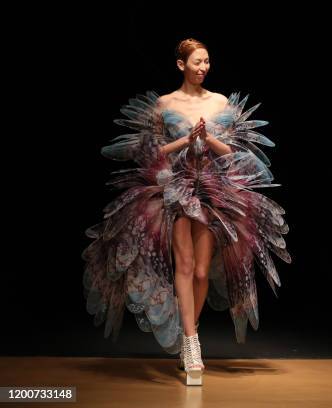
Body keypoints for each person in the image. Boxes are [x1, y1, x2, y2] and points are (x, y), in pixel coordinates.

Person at [83, 38, 290, 385]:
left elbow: (233, 153)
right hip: (176, 189)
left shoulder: (220, 102)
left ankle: (188, 335)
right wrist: (185, 141)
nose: (203, 67)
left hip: (212, 192)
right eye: (197, 61)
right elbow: (149, 152)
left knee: (201, 271)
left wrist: (207, 139)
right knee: (186, 265)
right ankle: (192, 344)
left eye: (207, 61)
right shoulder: (165, 104)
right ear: (181, 65)